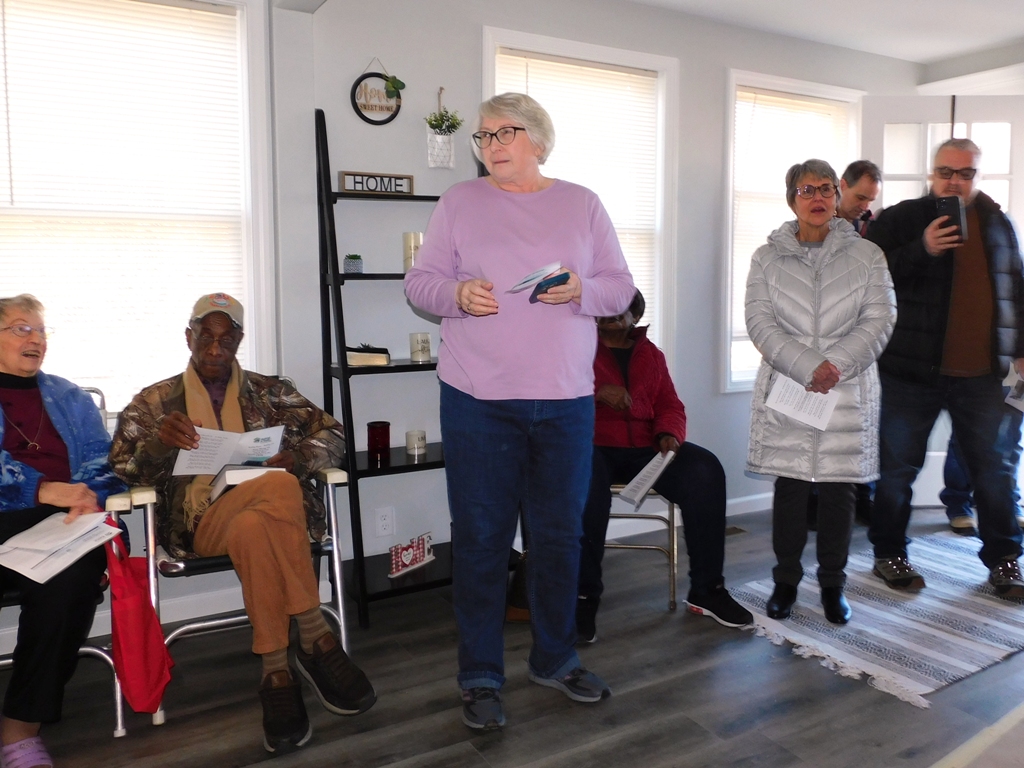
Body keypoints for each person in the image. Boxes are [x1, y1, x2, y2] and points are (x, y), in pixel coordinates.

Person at [405, 93, 635, 731]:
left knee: (558, 538)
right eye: (482, 136)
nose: (490, 144)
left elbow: (621, 287)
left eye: (503, 132)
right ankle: (480, 676)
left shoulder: (582, 204)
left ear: (538, 138)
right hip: (478, 400)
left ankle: (556, 659)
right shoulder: (460, 202)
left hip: (566, 402)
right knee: (482, 541)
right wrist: (457, 293)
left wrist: (582, 289)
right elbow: (419, 283)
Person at [110, 293, 375, 754]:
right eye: (206, 338)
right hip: (198, 525)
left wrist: (298, 457)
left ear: (239, 340)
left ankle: (275, 670)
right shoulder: (154, 402)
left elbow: (332, 433)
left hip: (260, 520)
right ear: (189, 337)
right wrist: (158, 445)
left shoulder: (271, 391)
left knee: (259, 519)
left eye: (227, 339)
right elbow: (122, 469)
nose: (216, 349)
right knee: (280, 487)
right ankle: (315, 635)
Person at [866, 137, 1024, 597]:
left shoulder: (998, 223)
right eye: (946, 172)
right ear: (931, 172)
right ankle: (889, 553)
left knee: (996, 473)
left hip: (985, 378)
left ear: (977, 175)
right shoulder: (900, 219)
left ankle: (1005, 562)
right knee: (896, 472)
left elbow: (1016, 292)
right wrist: (923, 248)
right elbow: (868, 278)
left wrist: (1021, 352)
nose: (955, 181)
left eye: (965, 173)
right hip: (909, 375)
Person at [745, 160, 896, 625]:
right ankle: (785, 582)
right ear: (792, 197)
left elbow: (880, 318)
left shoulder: (868, 255)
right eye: (807, 189)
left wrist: (836, 366)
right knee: (790, 489)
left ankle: (833, 585)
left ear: (837, 196)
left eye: (826, 189)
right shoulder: (766, 257)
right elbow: (759, 322)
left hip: (846, 390)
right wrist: (808, 366)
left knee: (838, 492)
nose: (817, 198)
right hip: (790, 387)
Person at [577, 290, 752, 643]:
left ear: (635, 316)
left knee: (704, 469)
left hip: (646, 448)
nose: (614, 313)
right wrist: (597, 393)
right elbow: (556, 394)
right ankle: (582, 597)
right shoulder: (575, 348)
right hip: (592, 444)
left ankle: (707, 590)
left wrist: (669, 434)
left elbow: (670, 404)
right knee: (584, 481)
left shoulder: (651, 355)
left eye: (623, 308)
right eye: (607, 307)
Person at [0, 294, 126, 768]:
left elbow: (105, 462)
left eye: (40, 330)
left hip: (62, 525)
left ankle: (20, 728)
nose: (35, 338)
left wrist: (87, 493)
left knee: (73, 579)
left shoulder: (70, 397)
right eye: (21, 328)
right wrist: (42, 488)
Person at [837, 160, 882, 236]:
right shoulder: (819, 220)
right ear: (842, 185)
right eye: (860, 198)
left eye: (870, 201)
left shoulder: (870, 227)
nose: (865, 208)